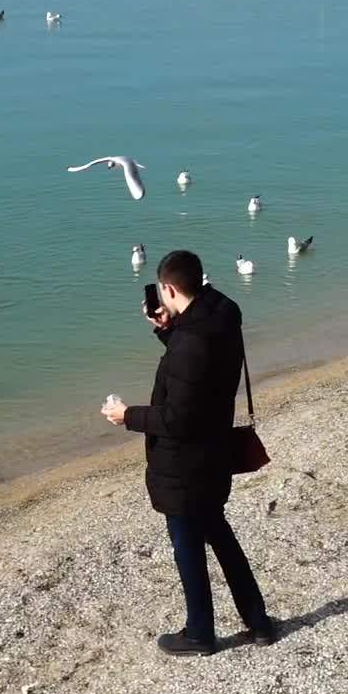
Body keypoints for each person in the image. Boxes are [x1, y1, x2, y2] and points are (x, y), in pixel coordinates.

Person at [101, 249, 275, 656]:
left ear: (168, 288)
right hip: (215, 453)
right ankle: (258, 622)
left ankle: (199, 634)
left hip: (184, 465)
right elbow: (200, 375)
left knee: (188, 548)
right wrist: (167, 330)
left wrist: (127, 415)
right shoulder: (222, 315)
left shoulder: (191, 343)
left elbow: (177, 417)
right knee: (220, 536)